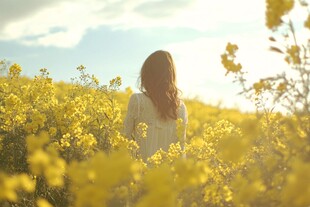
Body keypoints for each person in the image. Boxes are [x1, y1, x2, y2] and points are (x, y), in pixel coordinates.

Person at [124, 50, 188, 161]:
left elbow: (124, 142)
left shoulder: (138, 101)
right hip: (167, 176)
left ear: (146, 74)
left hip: (140, 174)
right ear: (171, 76)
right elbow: (181, 152)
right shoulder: (180, 107)